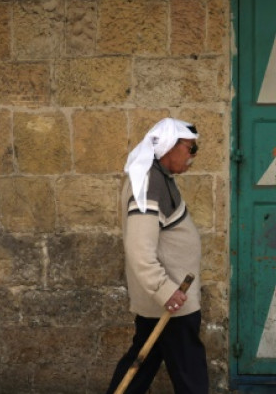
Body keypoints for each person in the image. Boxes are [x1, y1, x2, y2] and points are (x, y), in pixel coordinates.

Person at [106, 117, 208, 394]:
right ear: (168, 147)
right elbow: (139, 248)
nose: (193, 157)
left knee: (141, 363)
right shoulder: (150, 184)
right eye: (191, 149)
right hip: (170, 300)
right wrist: (164, 290)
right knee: (190, 371)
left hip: (166, 298)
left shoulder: (157, 179)